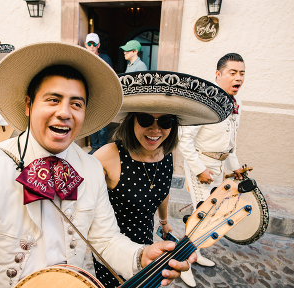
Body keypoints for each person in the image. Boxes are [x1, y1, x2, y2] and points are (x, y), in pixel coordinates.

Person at [0, 42, 194, 287]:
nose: (65, 113)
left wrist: (140, 256)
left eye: (76, 104)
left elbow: (106, 240)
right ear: (28, 105)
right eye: (53, 100)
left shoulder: (90, 169)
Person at [91, 71, 235, 288]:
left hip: (147, 241)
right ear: (131, 121)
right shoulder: (108, 155)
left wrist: (165, 222)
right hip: (110, 248)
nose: (155, 129)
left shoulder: (166, 155)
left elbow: (162, 190)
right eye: (146, 119)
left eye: (165, 121)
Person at [177, 53, 245, 287]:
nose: (239, 78)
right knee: (201, 215)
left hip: (219, 168)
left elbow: (231, 141)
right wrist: (198, 170)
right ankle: (182, 260)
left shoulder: (237, 103)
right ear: (218, 75)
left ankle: (196, 250)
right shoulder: (205, 100)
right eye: (233, 73)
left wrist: (234, 168)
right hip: (201, 166)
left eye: (242, 73)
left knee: (211, 215)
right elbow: (184, 141)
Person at [84, 33, 112, 153]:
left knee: (102, 123)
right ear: (85, 45)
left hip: (102, 95)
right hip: (88, 94)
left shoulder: (105, 58)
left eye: (94, 44)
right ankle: (94, 147)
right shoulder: (82, 57)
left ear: (98, 45)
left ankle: (103, 148)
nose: (91, 46)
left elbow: (111, 77)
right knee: (91, 121)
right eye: (89, 44)